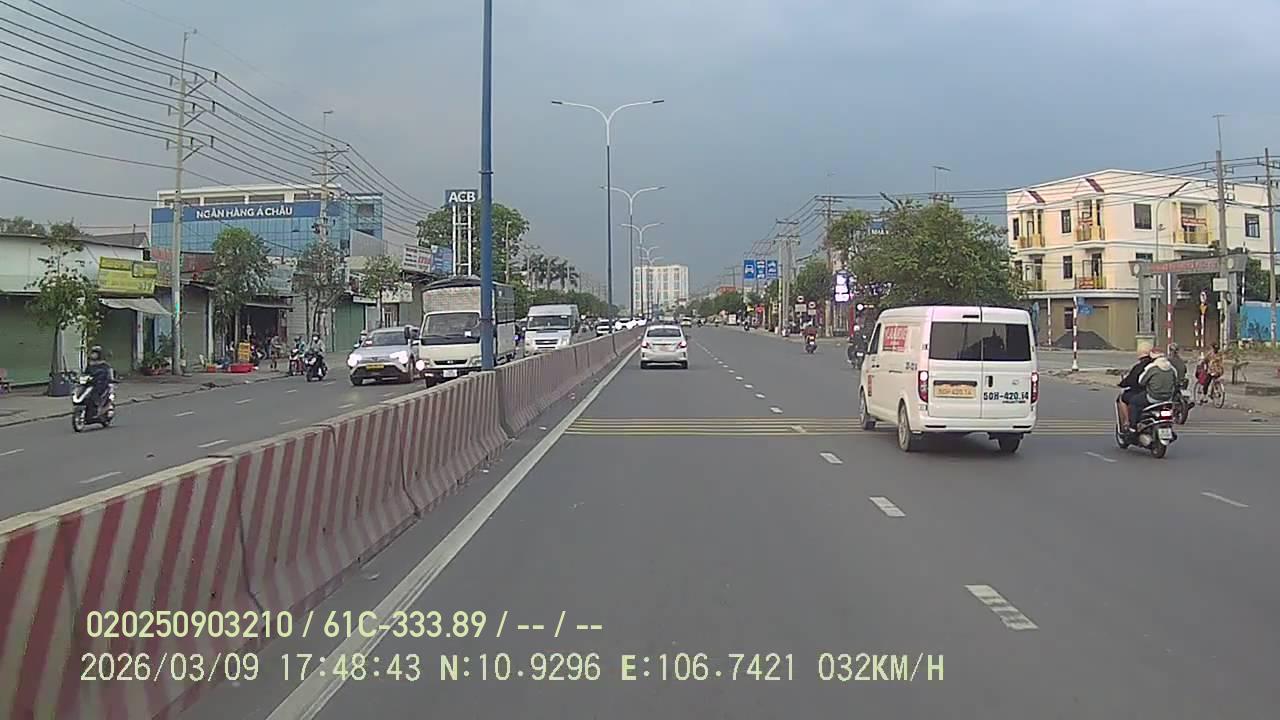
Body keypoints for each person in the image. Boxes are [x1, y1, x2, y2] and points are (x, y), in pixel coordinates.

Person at [1117, 349, 1153, 432]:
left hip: (1145, 393)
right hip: (1163, 395)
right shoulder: (1165, 367)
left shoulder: (1142, 368)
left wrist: (1122, 383)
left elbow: (1135, 380)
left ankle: (1129, 423)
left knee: (1126, 399)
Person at [83, 345, 113, 415]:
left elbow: (108, 374)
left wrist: (109, 380)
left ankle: (97, 405)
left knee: (96, 392)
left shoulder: (104, 364)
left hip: (100, 384)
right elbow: (86, 373)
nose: (93, 355)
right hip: (90, 383)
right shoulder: (90, 364)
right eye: (93, 353)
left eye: (95, 353)